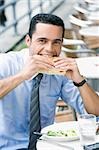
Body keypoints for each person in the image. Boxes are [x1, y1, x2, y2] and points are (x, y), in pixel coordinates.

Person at [0, 13, 86, 149]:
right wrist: (23, 75)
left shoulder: (60, 72)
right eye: (42, 41)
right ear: (28, 40)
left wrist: (79, 80)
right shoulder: (5, 62)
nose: (49, 49)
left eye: (56, 42)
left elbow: (94, 112)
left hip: (46, 145)